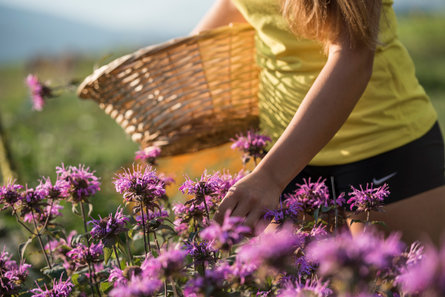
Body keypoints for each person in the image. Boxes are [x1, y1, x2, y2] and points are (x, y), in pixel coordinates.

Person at [193, 0, 445, 245]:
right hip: (285, 154)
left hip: (381, 148)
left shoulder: (271, 176)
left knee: (401, 286)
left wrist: (269, 177)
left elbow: (353, 56)